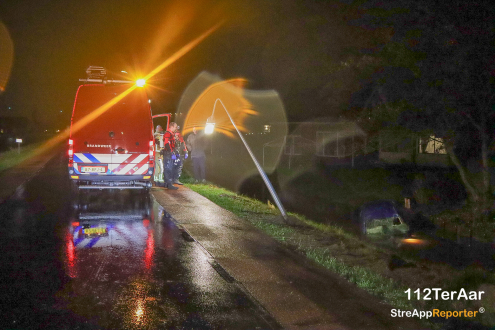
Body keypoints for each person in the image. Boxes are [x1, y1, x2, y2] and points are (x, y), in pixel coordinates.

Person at [161, 122, 179, 190]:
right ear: (171, 126)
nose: (176, 128)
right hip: (168, 154)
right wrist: (171, 152)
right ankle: (169, 184)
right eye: (175, 127)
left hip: (169, 153)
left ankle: (167, 183)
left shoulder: (171, 134)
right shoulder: (168, 133)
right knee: (169, 168)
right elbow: (166, 143)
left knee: (169, 168)